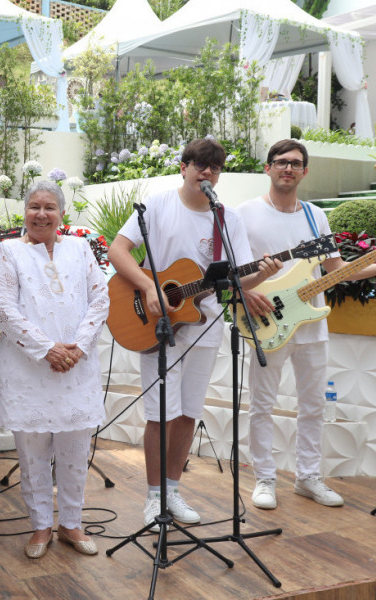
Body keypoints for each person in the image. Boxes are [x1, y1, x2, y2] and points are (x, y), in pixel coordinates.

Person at [107, 138, 281, 532]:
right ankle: (153, 499)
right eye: (200, 165)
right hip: (153, 322)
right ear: (184, 167)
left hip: (205, 325)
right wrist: (149, 287)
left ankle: (172, 490)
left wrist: (263, 274)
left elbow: (236, 278)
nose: (207, 173)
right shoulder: (157, 206)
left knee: (187, 414)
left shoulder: (226, 219)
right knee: (159, 414)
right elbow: (117, 250)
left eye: (215, 167)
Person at [237, 139, 376, 510]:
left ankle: (308, 476)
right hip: (268, 320)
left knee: (312, 405)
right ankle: (264, 477)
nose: (288, 168)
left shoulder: (316, 216)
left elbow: (338, 272)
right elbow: (235, 274)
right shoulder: (243, 214)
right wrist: (248, 298)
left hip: (311, 323)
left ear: (304, 171)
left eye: (295, 163)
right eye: (280, 162)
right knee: (262, 404)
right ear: (267, 168)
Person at [0, 181, 109, 559]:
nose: (41, 214)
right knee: (33, 454)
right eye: (34, 207)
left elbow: (100, 298)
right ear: (24, 212)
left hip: (76, 366)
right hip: (29, 370)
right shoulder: (7, 251)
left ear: (61, 213)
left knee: (75, 452)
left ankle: (71, 523)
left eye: (49, 207)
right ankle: (41, 526)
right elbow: (3, 307)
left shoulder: (80, 248)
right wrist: (47, 350)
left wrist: (77, 347)